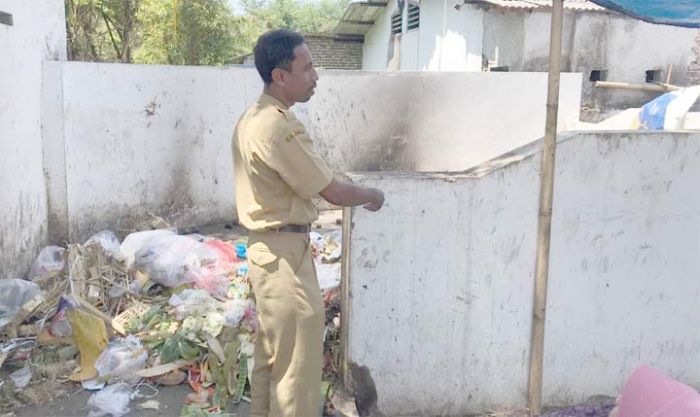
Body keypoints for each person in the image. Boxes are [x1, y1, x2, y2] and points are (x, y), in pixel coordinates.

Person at [232, 29, 385, 417]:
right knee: (297, 372)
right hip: (283, 258)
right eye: (308, 67)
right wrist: (372, 194)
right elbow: (330, 191)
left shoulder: (254, 118)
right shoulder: (276, 126)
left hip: (272, 251)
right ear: (280, 76)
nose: (315, 75)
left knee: (273, 362)